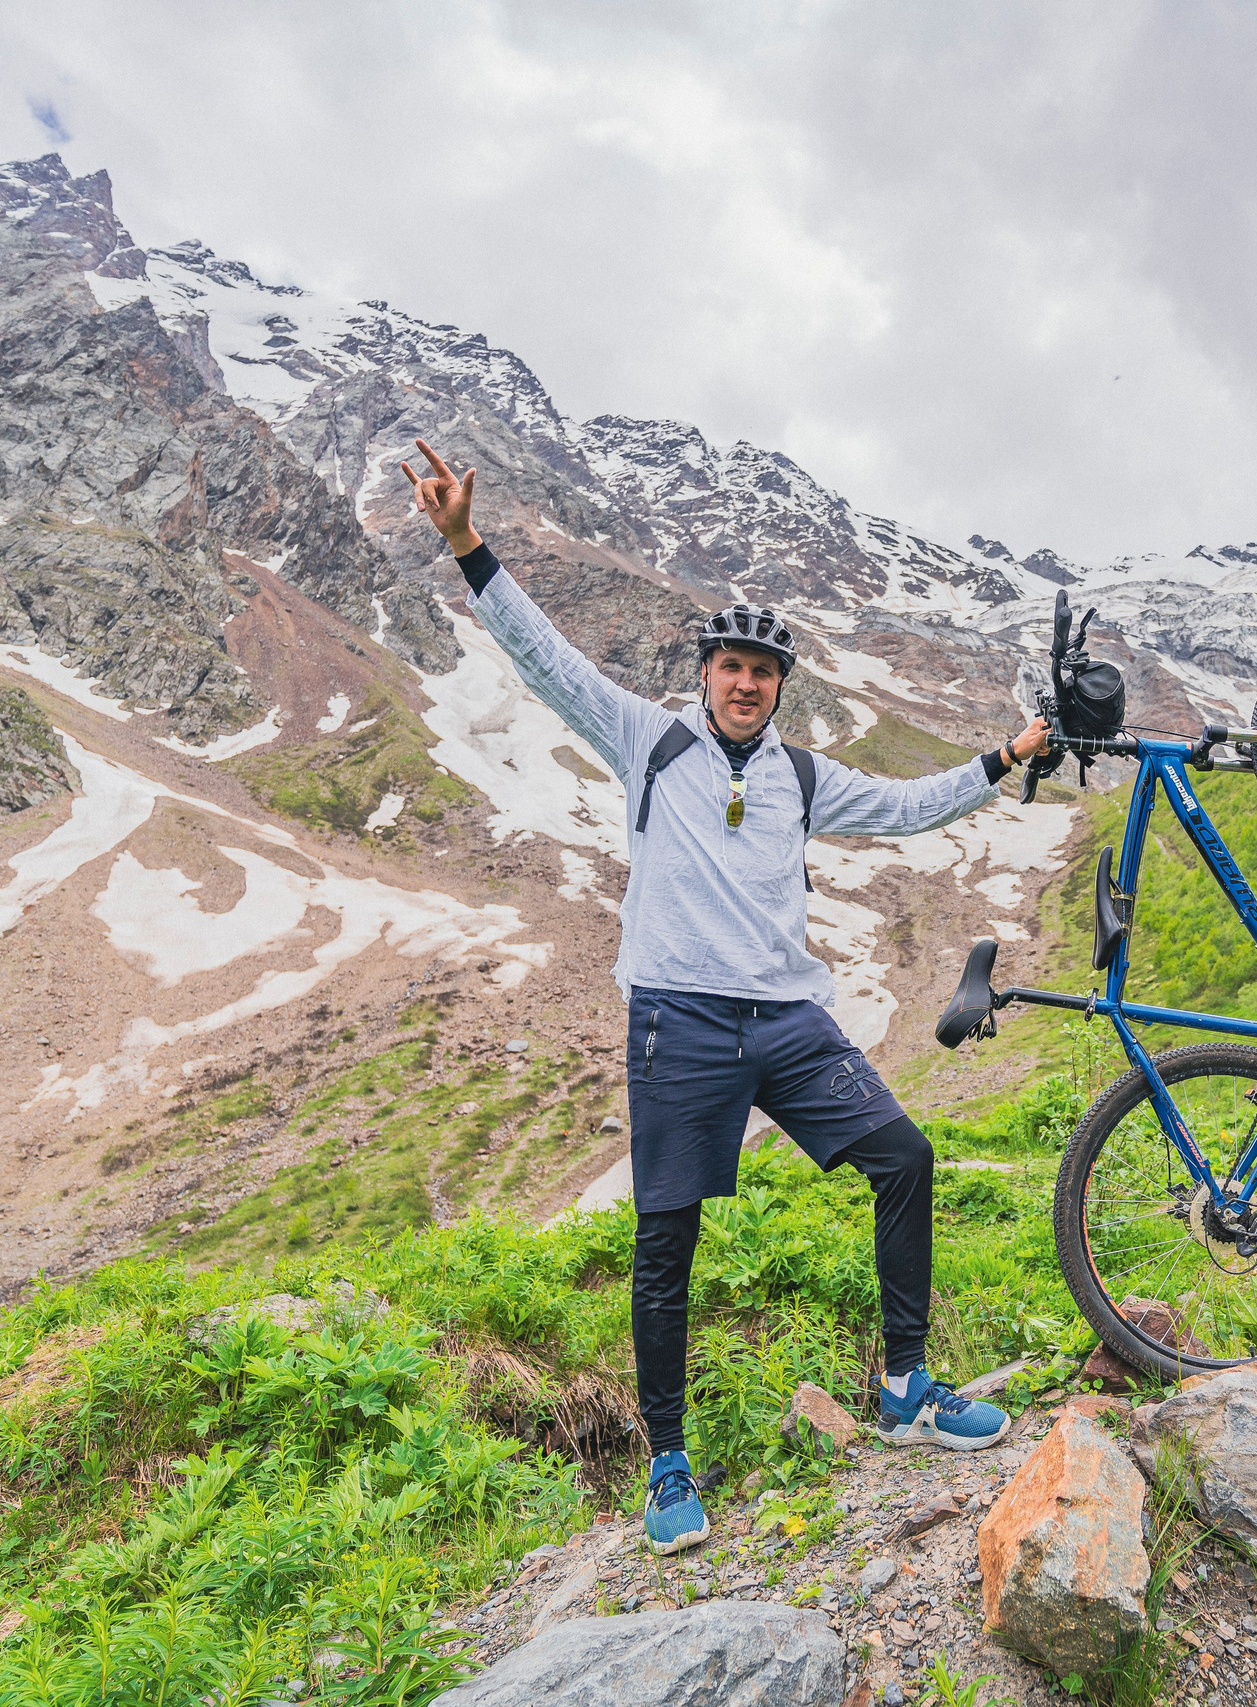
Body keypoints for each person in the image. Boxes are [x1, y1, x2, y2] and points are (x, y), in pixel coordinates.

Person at [401, 442, 1052, 1556]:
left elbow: (906, 807)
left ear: (779, 687)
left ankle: (904, 1387)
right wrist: (464, 540)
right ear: (703, 673)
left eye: (763, 670)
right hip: (679, 1020)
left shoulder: (800, 777)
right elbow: (543, 657)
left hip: (790, 1022)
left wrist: (1003, 757)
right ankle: (665, 1460)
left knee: (903, 1158)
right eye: (730, 664)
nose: (746, 681)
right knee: (668, 1240)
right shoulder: (646, 742)